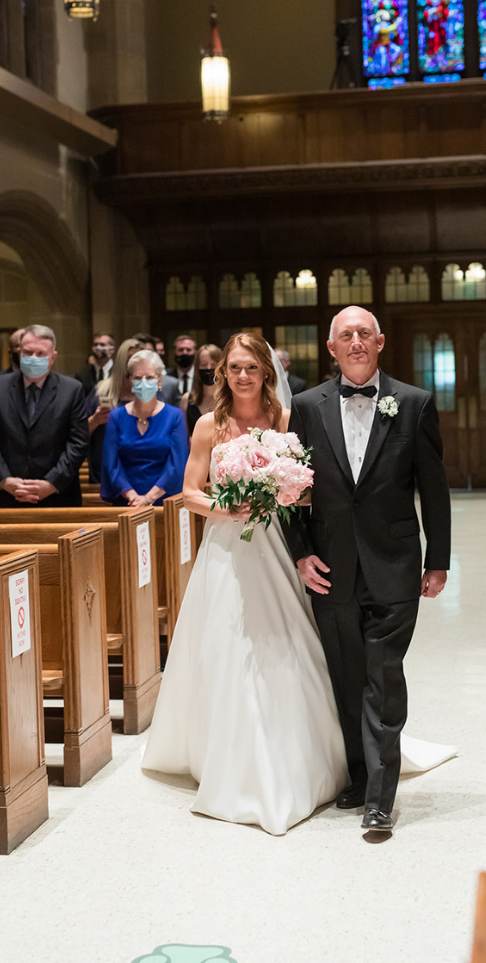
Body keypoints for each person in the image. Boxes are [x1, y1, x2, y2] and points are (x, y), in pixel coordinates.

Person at [142, 334, 350, 834]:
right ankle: (228, 756)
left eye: (251, 368)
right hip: (226, 548)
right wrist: (223, 506)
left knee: (288, 641)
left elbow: (304, 487)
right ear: (223, 374)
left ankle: (300, 751)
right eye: (234, 368)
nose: (242, 377)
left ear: (266, 372)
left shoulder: (285, 419)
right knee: (225, 646)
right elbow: (188, 491)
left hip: (276, 543)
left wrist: (278, 492)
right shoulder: (207, 426)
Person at [287, 305, 453, 835]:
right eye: (345, 335)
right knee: (347, 676)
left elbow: (434, 488)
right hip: (331, 566)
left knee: (383, 678)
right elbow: (293, 488)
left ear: (380, 342)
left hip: (395, 562)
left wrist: (439, 559)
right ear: (331, 348)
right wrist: (300, 551)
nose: (355, 342)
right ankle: (359, 777)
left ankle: (381, 797)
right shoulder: (306, 406)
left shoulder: (414, 403)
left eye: (364, 333)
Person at [0, 324, 89, 508]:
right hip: (9, 495)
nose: (33, 358)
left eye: (40, 354)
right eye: (28, 352)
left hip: (58, 495)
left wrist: (52, 483)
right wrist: (4, 479)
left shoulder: (71, 390)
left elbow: (78, 443)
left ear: (52, 357)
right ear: (19, 352)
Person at [100, 349, 189, 507]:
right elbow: (111, 464)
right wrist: (132, 496)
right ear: (130, 382)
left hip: (165, 502)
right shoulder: (116, 416)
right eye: (138, 378)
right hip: (127, 502)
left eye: (149, 377)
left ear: (159, 381)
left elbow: (177, 465)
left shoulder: (175, 416)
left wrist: (148, 498)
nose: (143, 382)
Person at [85, 338, 141, 488]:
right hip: (104, 476)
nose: (134, 364)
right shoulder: (100, 391)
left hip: (141, 475)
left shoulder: (151, 393)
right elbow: (77, 433)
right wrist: (95, 420)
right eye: (129, 359)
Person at [183, 343, 223, 435]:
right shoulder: (187, 399)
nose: (208, 368)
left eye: (213, 364)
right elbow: (184, 436)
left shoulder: (231, 398)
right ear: (197, 368)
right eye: (204, 365)